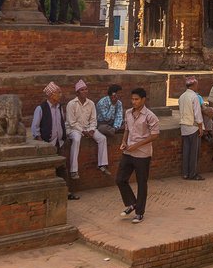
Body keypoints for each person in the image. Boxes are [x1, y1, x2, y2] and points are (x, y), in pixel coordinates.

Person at [116, 87, 159, 223]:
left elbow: (155, 135)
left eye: (136, 99)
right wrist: (124, 141)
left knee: (141, 183)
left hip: (142, 154)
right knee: (120, 179)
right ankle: (132, 203)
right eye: (132, 99)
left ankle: (139, 212)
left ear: (143, 100)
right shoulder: (128, 113)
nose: (133, 102)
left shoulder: (150, 116)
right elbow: (127, 130)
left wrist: (138, 144)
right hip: (128, 151)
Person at [32, 81, 78, 200]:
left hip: (59, 143)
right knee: (48, 169)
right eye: (58, 92)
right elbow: (35, 128)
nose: (60, 95)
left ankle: (66, 192)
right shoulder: (41, 108)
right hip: (47, 143)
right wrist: (41, 142)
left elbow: (62, 122)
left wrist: (63, 138)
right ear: (51, 95)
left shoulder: (59, 107)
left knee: (62, 168)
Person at [66, 79, 109, 178]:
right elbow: (71, 122)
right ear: (77, 92)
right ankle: (73, 170)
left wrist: (92, 129)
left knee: (102, 138)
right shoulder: (71, 104)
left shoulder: (91, 103)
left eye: (86, 89)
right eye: (82, 90)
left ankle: (102, 165)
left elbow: (93, 120)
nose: (85, 91)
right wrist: (83, 131)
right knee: (76, 140)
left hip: (88, 128)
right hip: (74, 129)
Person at [178, 76, 205, 181]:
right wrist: (200, 127)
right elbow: (197, 114)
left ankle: (185, 173)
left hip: (184, 127)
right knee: (194, 152)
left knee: (186, 151)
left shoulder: (182, 97)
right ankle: (193, 173)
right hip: (193, 127)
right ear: (193, 85)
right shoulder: (194, 97)